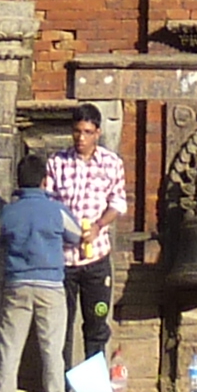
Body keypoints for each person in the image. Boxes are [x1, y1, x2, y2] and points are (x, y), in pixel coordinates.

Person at [0, 148, 69, 392]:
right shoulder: (55, 210)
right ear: (44, 180)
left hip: (17, 285)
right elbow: (74, 234)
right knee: (52, 351)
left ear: (18, 181)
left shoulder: (9, 213)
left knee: (10, 350)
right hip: (50, 285)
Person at [49, 105, 127, 367]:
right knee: (61, 325)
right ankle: (60, 389)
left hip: (96, 261)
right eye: (77, 132)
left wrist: (98, 226)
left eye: (87, 132)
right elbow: (48, 202)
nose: (81, 138)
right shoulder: (57, 163)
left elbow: (118, 202)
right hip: (63, 260)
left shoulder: (111, 163)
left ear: (97, 133)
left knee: (97, 323)